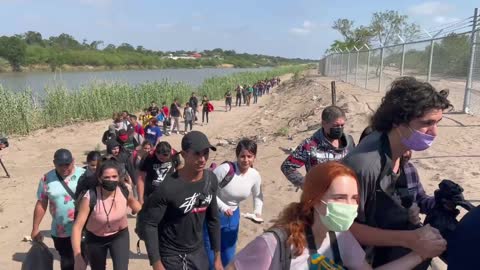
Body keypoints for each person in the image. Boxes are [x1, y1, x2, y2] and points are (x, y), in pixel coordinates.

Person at [227, 162, 441, 270]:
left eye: (354, 198)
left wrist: (419, 255)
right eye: (340, 197)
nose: (349, 206)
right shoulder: (275, 243)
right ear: (314, 200)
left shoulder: (339, 237)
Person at [342, 77, 450, 267]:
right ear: (398, 122)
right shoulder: (364, 165)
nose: (434, 132)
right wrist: (409, 239)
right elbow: (344, 228)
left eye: (438, 122)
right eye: (427, 123)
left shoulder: (400, 152)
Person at [138, 131, 222, 270]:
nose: (202, 159)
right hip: (171, 255)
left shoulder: (211, 180)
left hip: (197, 252)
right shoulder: (168, 186)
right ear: (183, 155)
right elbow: (150, 224)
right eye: (196, 153)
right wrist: (156, 263)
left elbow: (213, 220)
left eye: (205, 153)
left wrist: (217, 258)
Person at [204, 139, 263, 268]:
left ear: (254, 157)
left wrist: (257, 212)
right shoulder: (225, 169)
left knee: (229, 256)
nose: (246, 160)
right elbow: (207, 189)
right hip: (213, 213)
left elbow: (258, 196)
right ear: (237, 156)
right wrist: (223, 207)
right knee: (210, 256)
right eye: (242, 156)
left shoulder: (255, 175)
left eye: (249, 156)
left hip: (233, 216)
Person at [72, 159, 141, 270]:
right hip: (95, 239)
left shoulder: (124, 191)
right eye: (107, 177)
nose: (111, 180)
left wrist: (148, 220)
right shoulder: (90, 197)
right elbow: (77, 227)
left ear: (119, 177)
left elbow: (134, 204)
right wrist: (78, 256)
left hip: (119, 235)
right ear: (100, 178)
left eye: (114, 177)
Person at [31, 149, 86, 270]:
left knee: (82, 261)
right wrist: (35, 228)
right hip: (61, 231)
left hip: (84, 229)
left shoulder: (84, 175)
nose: (64, 167)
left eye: (67, 164)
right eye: (60, 165)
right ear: (54, 163)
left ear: (73, 161)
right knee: (67, 263)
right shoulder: (47, 179)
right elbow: (42, 203)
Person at [280, 105, 355, 188]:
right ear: (323, 123)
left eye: (342, 125)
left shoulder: (349, 142)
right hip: (320, 196)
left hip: (344, 190)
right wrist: (305, 185)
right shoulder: (310, 146)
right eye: (335, 125)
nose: (339, 128)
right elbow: (287, 166)